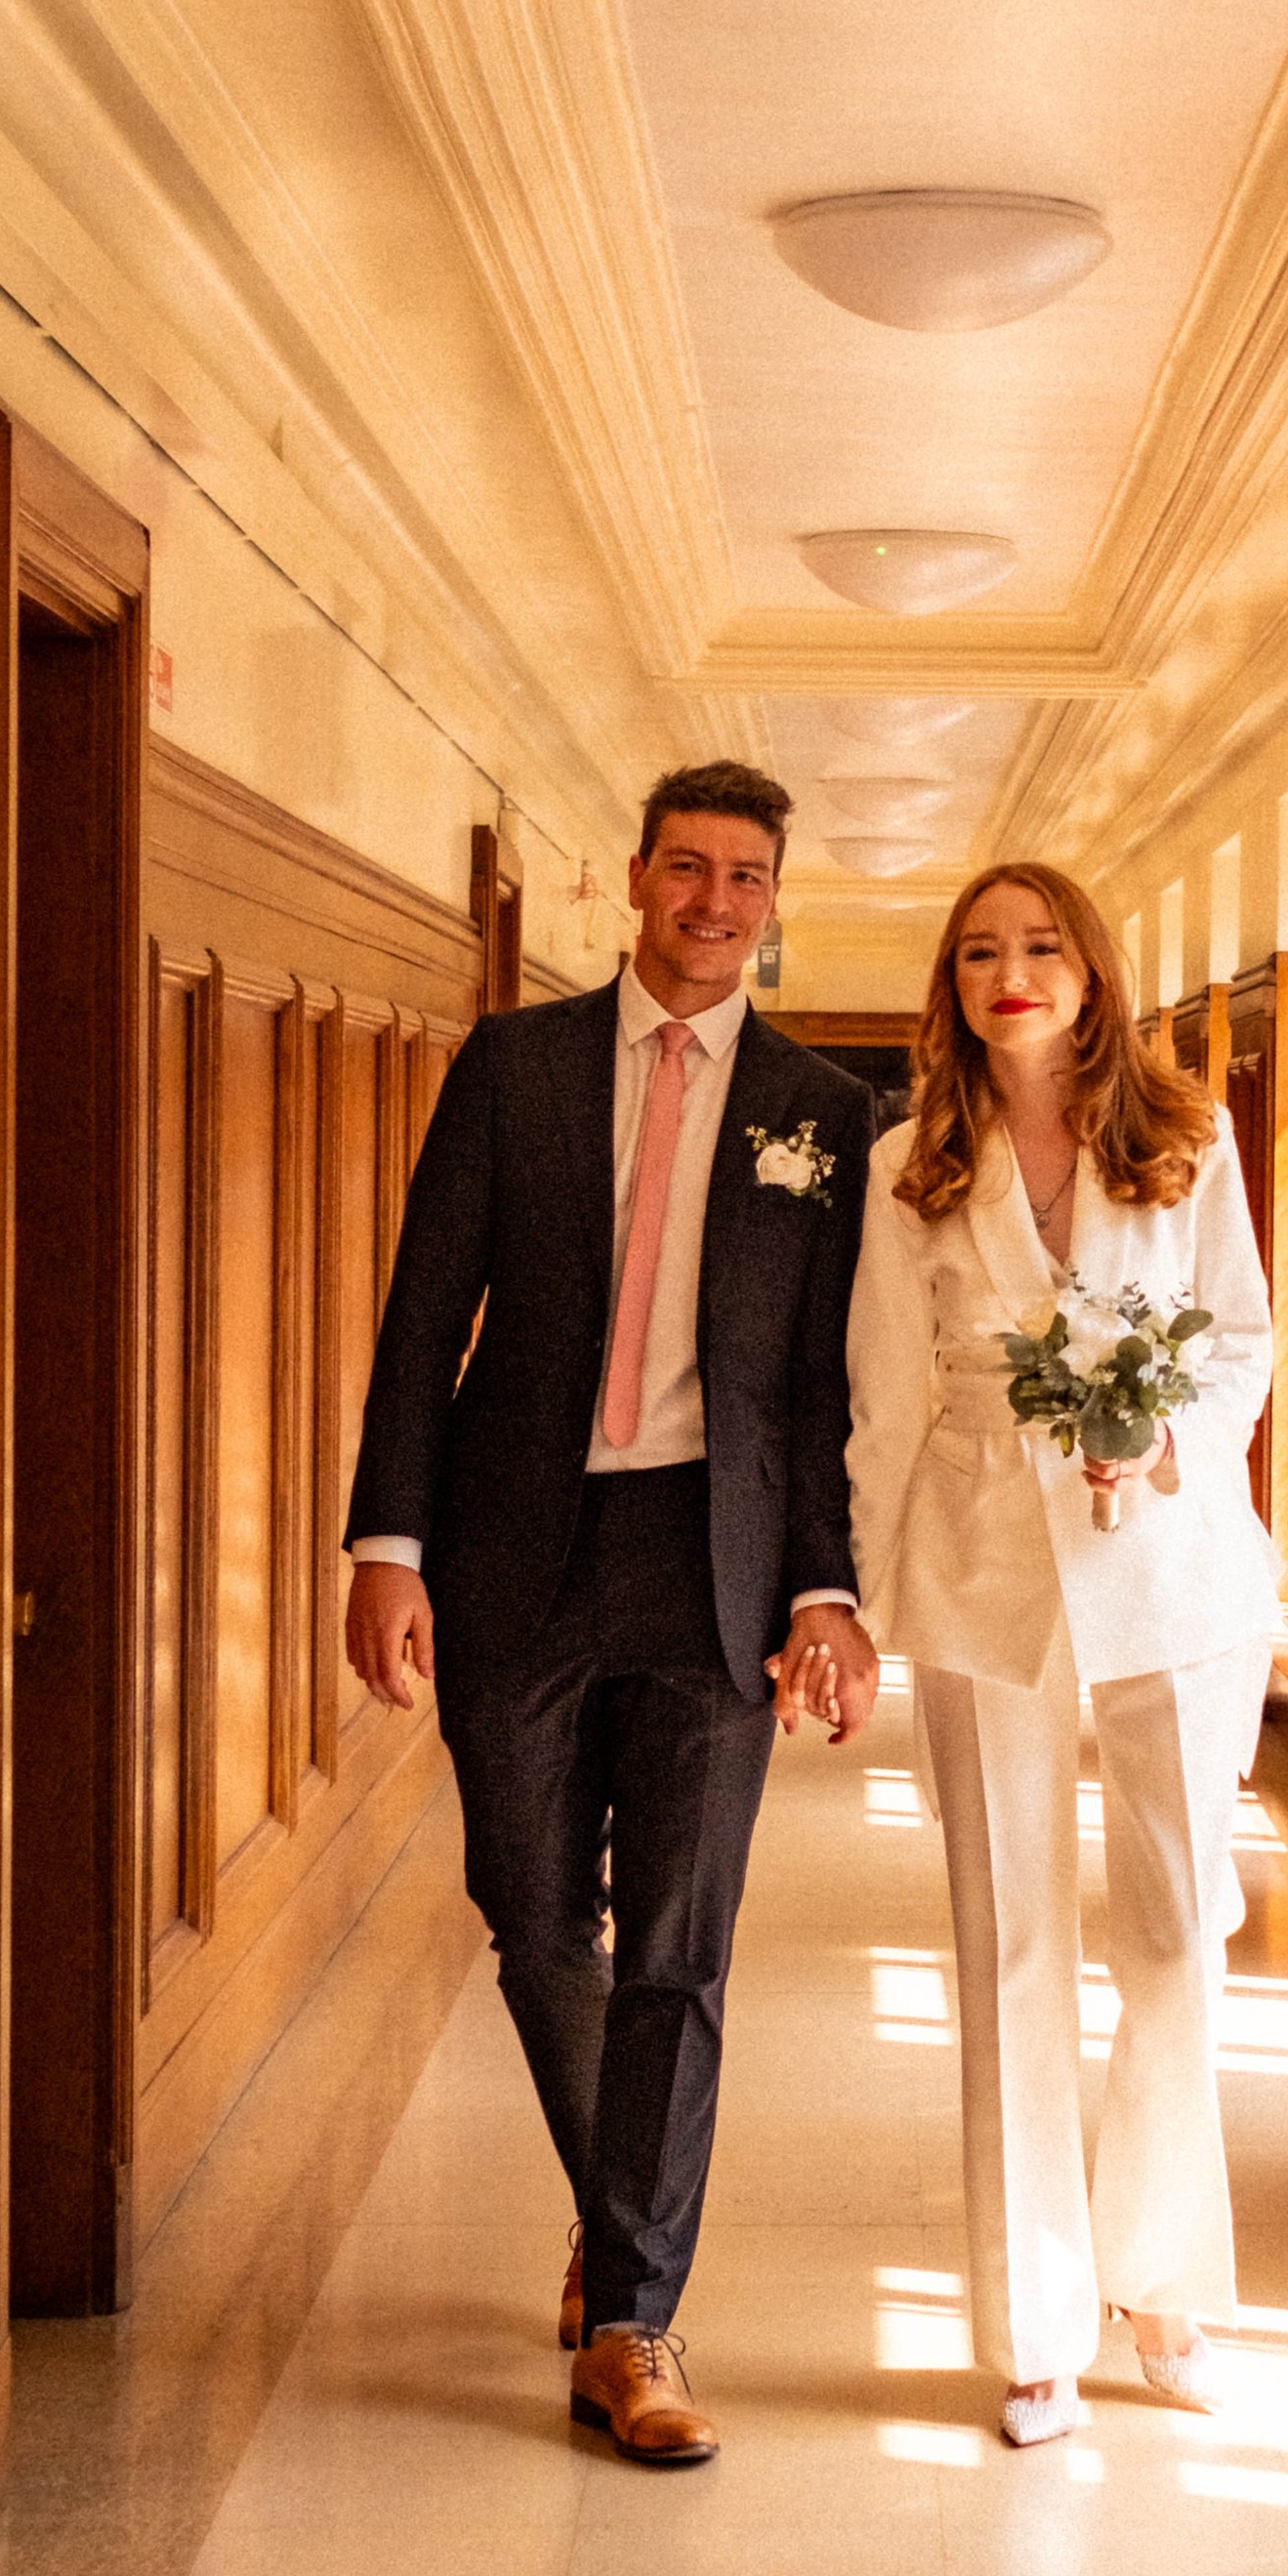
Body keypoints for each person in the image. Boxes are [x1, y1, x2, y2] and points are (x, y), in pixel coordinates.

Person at [344, 763, 879, 2465]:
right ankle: (618, 2200)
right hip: (517, 1544)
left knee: (681, 1944)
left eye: (748, 877)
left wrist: (821, 1588)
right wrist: (387, 1539)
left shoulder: (819, 1113)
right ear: (632, 881)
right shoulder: (516, 1067)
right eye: (689, 868)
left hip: (711, 1565)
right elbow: (427, 1308)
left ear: (775, 899)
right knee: (528, 1903)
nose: (716, 901)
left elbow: (816, 1385)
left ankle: (637, 2316)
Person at [846, 862, 1276, 2444]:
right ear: (951, 985)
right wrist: (857, 1604)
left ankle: (1161, 2275)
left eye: (1038, 948)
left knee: (1175, 1936)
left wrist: (1156, 1430)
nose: (1009, 973)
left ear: (1092, 972)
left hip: (1168, 1565)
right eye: (978, 952)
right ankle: (1036, 2321)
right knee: (1009, 1941)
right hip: (982, 1571)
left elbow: (1241, 1337)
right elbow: (885, 1393)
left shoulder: (1188, 1138)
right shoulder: (912, 1165)